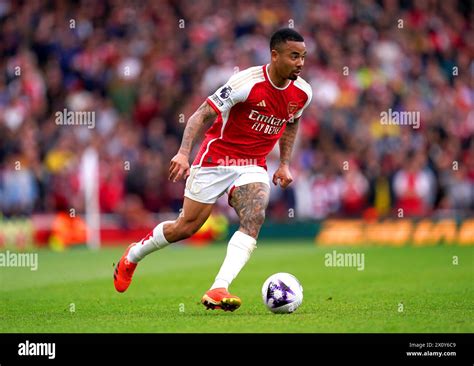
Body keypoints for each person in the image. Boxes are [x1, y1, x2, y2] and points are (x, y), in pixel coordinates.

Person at [113, 28, 312, 312]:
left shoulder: (303, 92)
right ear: (274, 55)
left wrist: (283, 163)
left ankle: (219, 286)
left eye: (303, 57)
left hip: (252, 165)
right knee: (187, 227)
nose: (300, 63)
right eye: (294, 56)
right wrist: (183, 153)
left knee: (255, 214)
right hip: (215, 160)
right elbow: (201, 115)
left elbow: (292, 121)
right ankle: (133, 256)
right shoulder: (246, 82)